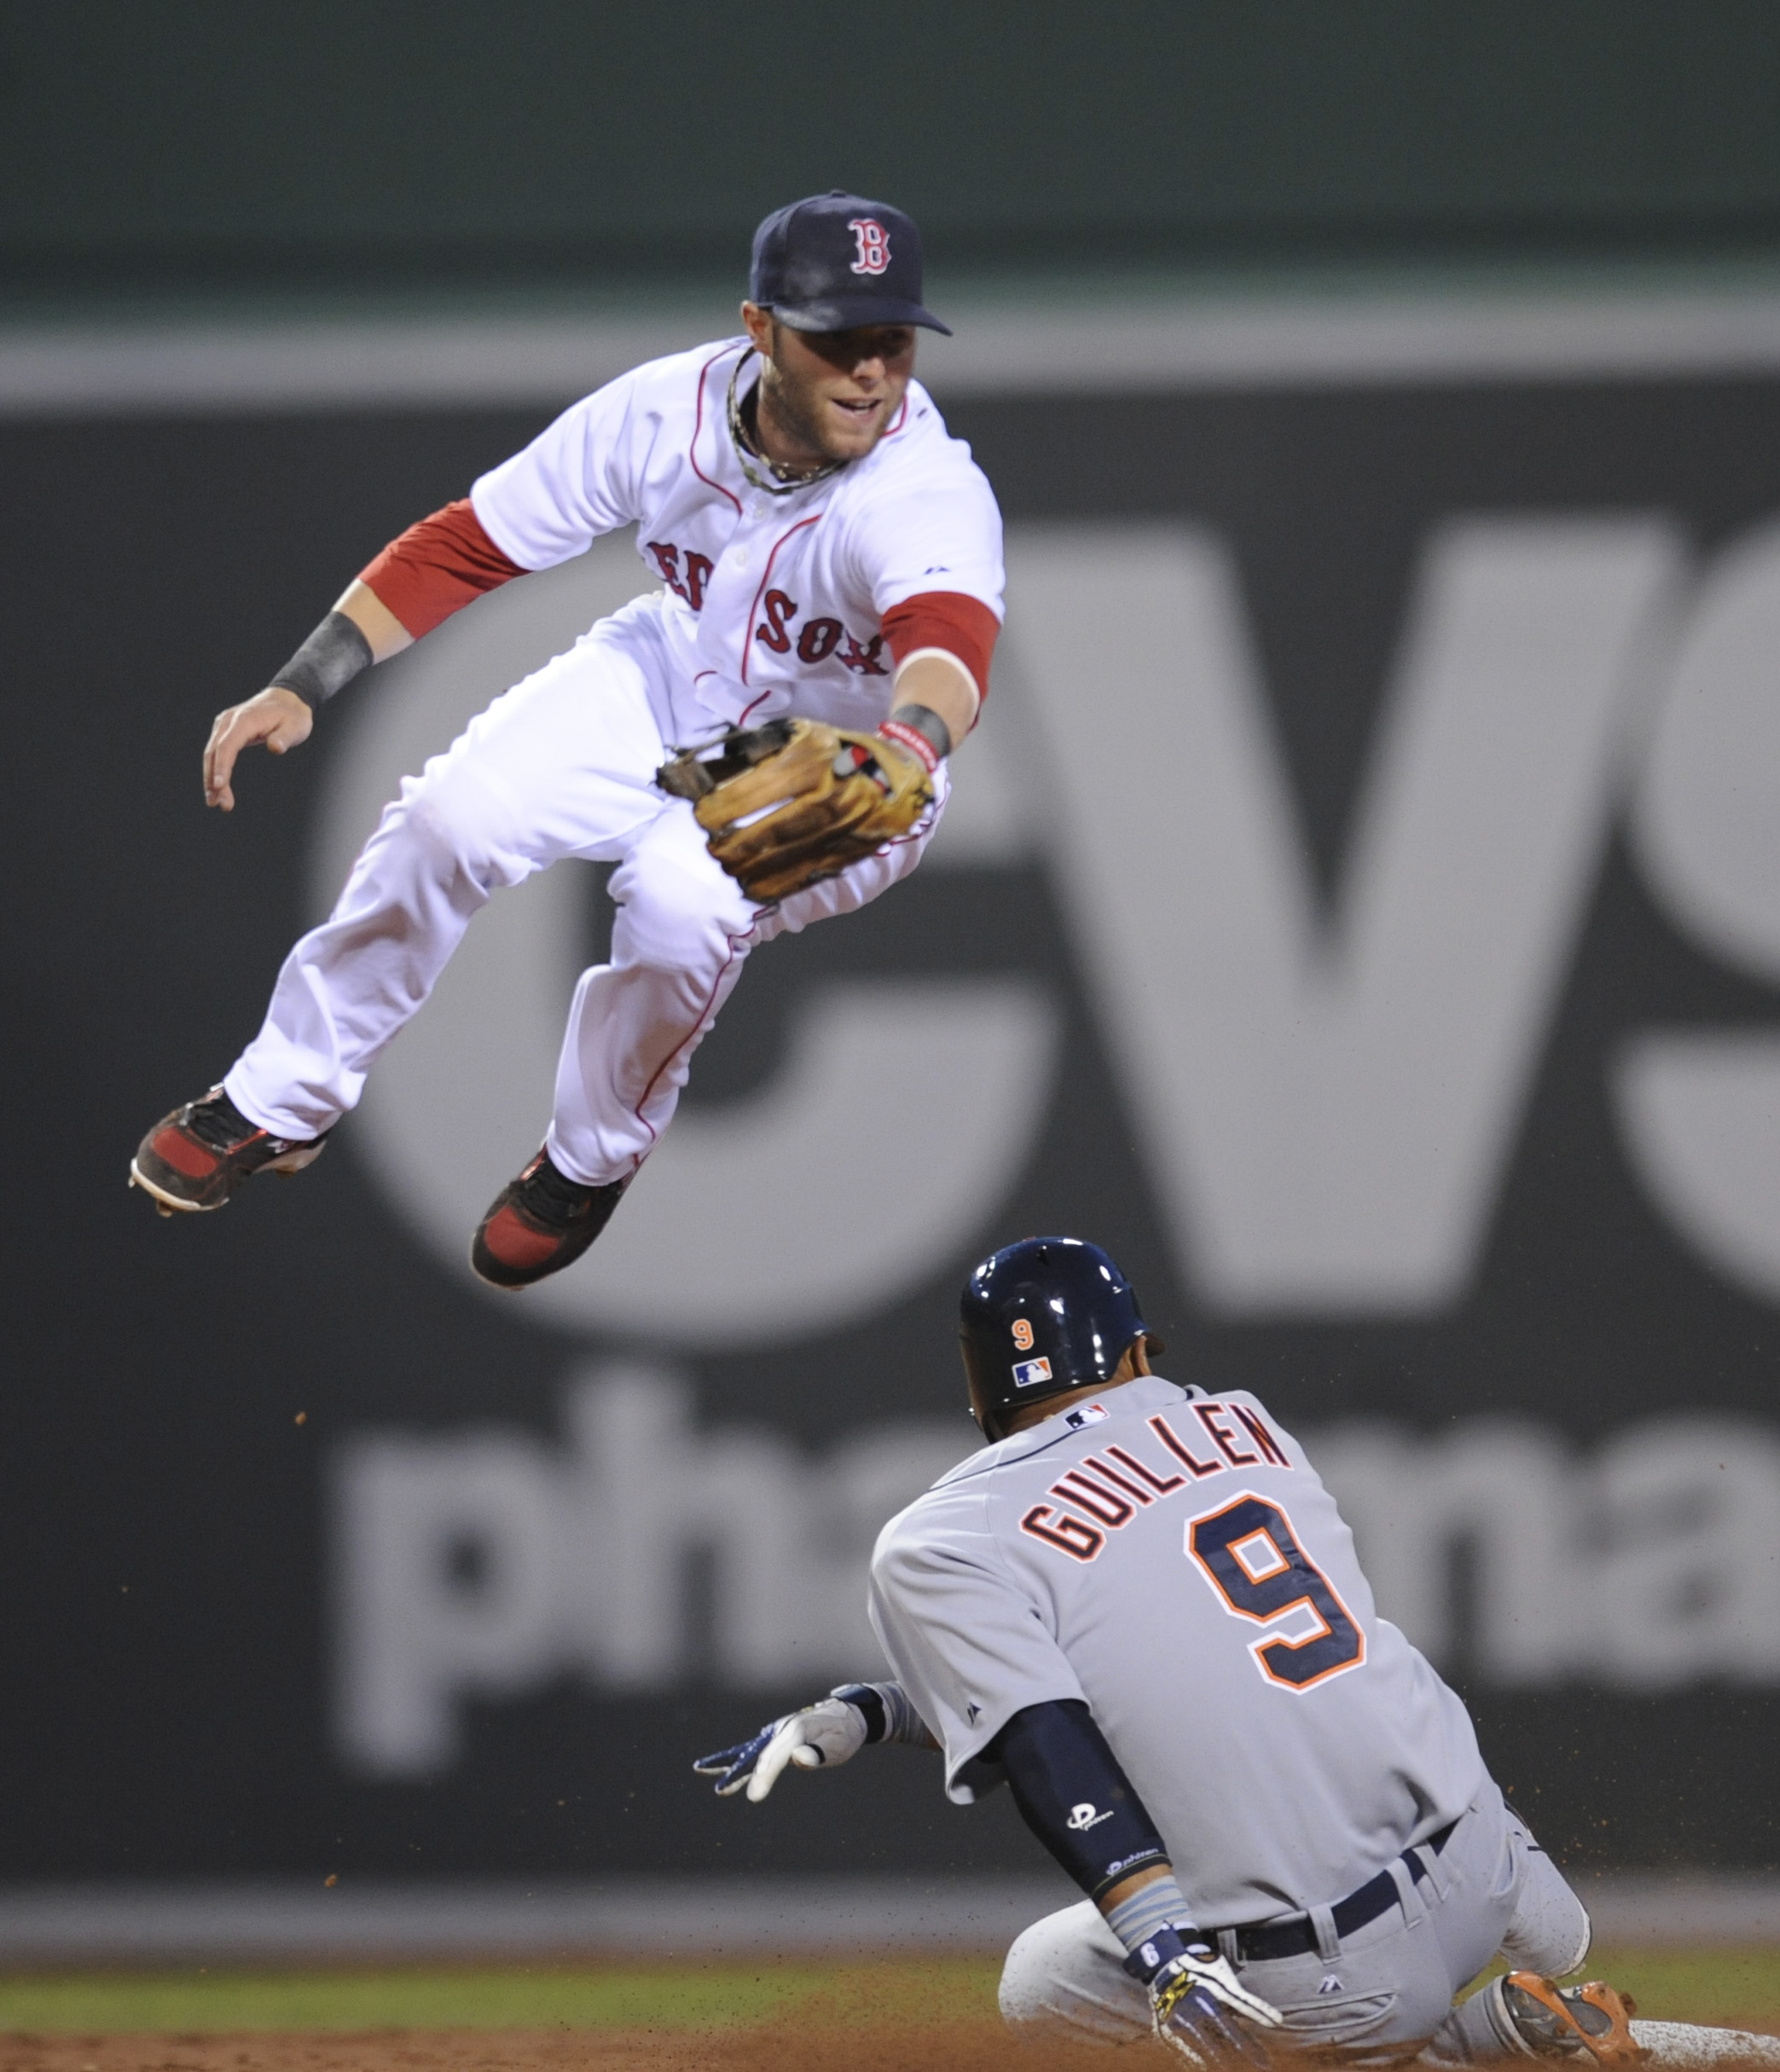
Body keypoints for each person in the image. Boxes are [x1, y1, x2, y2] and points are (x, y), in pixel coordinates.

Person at [129, 191, 1002, 1289]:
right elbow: (471, 542)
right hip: (672, 667)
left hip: (843, 758)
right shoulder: (664, 410)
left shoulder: (924, 488)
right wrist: (305, 681)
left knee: (679, 901)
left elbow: (948, 646)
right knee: (450, 818)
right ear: (760, 328)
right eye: (838, 338)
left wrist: (909, 745)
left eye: (893, 340)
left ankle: (589, 1159)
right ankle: (280, 1099)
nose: (871, 371)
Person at [695, 1236, 1777, 2068]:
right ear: (1130, 1353)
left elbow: (1049, 1739)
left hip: (1332, 1970)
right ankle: (1556, 2004)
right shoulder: (1241, 1425)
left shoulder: (939, 1537)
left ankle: (1486, 2046)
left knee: (1063, 1998)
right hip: (1484, 1862)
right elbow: (1152, 1678)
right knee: (1052, 1974)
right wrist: (869, 1712)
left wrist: (1163, 1948)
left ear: (978, 1391)